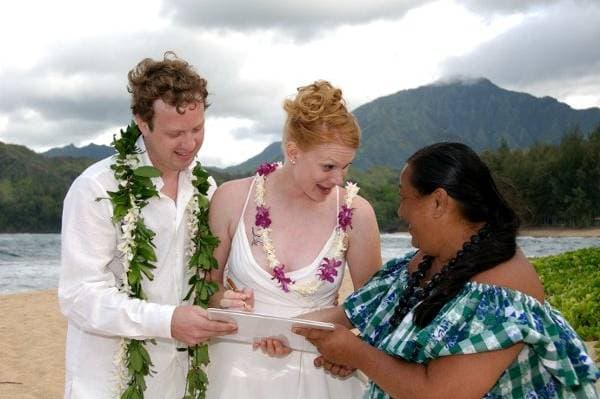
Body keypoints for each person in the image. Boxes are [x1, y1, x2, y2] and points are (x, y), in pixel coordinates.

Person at [295, 142, 600, 398]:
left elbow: (439, 392)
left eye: (404, 198)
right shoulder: (425, 262)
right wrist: (358, 355)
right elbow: (376, 337)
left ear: (439, 202)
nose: (400, 212)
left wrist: (359, 355)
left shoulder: (504, 287)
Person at [58, 52, 237, 399]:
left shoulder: (207, 188)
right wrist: (167, 321)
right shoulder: (96, 189)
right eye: (175, 133)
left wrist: (226, 298)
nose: (189, 144)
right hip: (108, 381)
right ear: (141, 121)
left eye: (197, 129)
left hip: (183, 379)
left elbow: (206, 280)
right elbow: (79, 297)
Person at [205, 80, 382, 398]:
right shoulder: (231, 199)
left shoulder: (358, 213)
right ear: (293, 152)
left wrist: (304, 329)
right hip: (236, 375)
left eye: (346, 166)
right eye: (328, 166)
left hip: (319, 375)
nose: (338, 179)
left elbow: (374, 305)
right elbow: (208, 288)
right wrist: (224, 303)